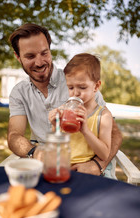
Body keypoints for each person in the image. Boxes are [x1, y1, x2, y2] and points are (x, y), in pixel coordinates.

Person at [7, 23, 122, 177]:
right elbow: (14, 136)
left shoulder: (79, 81)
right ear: (18, 57)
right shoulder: (19, 92)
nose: (40, 62)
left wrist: (97, 165)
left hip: (86, 166)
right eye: (30, 56)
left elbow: (114, 133)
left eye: (44, 53)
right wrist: (36, 153)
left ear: (50, 50)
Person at [49, 53, 113, 175]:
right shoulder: (64, 111)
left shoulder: (103, 116)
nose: (76, 93)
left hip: (87, 172)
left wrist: (85, 131)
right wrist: (55, 126)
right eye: (70, 87)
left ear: (96, 86)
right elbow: (53, 147)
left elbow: (104, 154)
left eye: (82, 87)